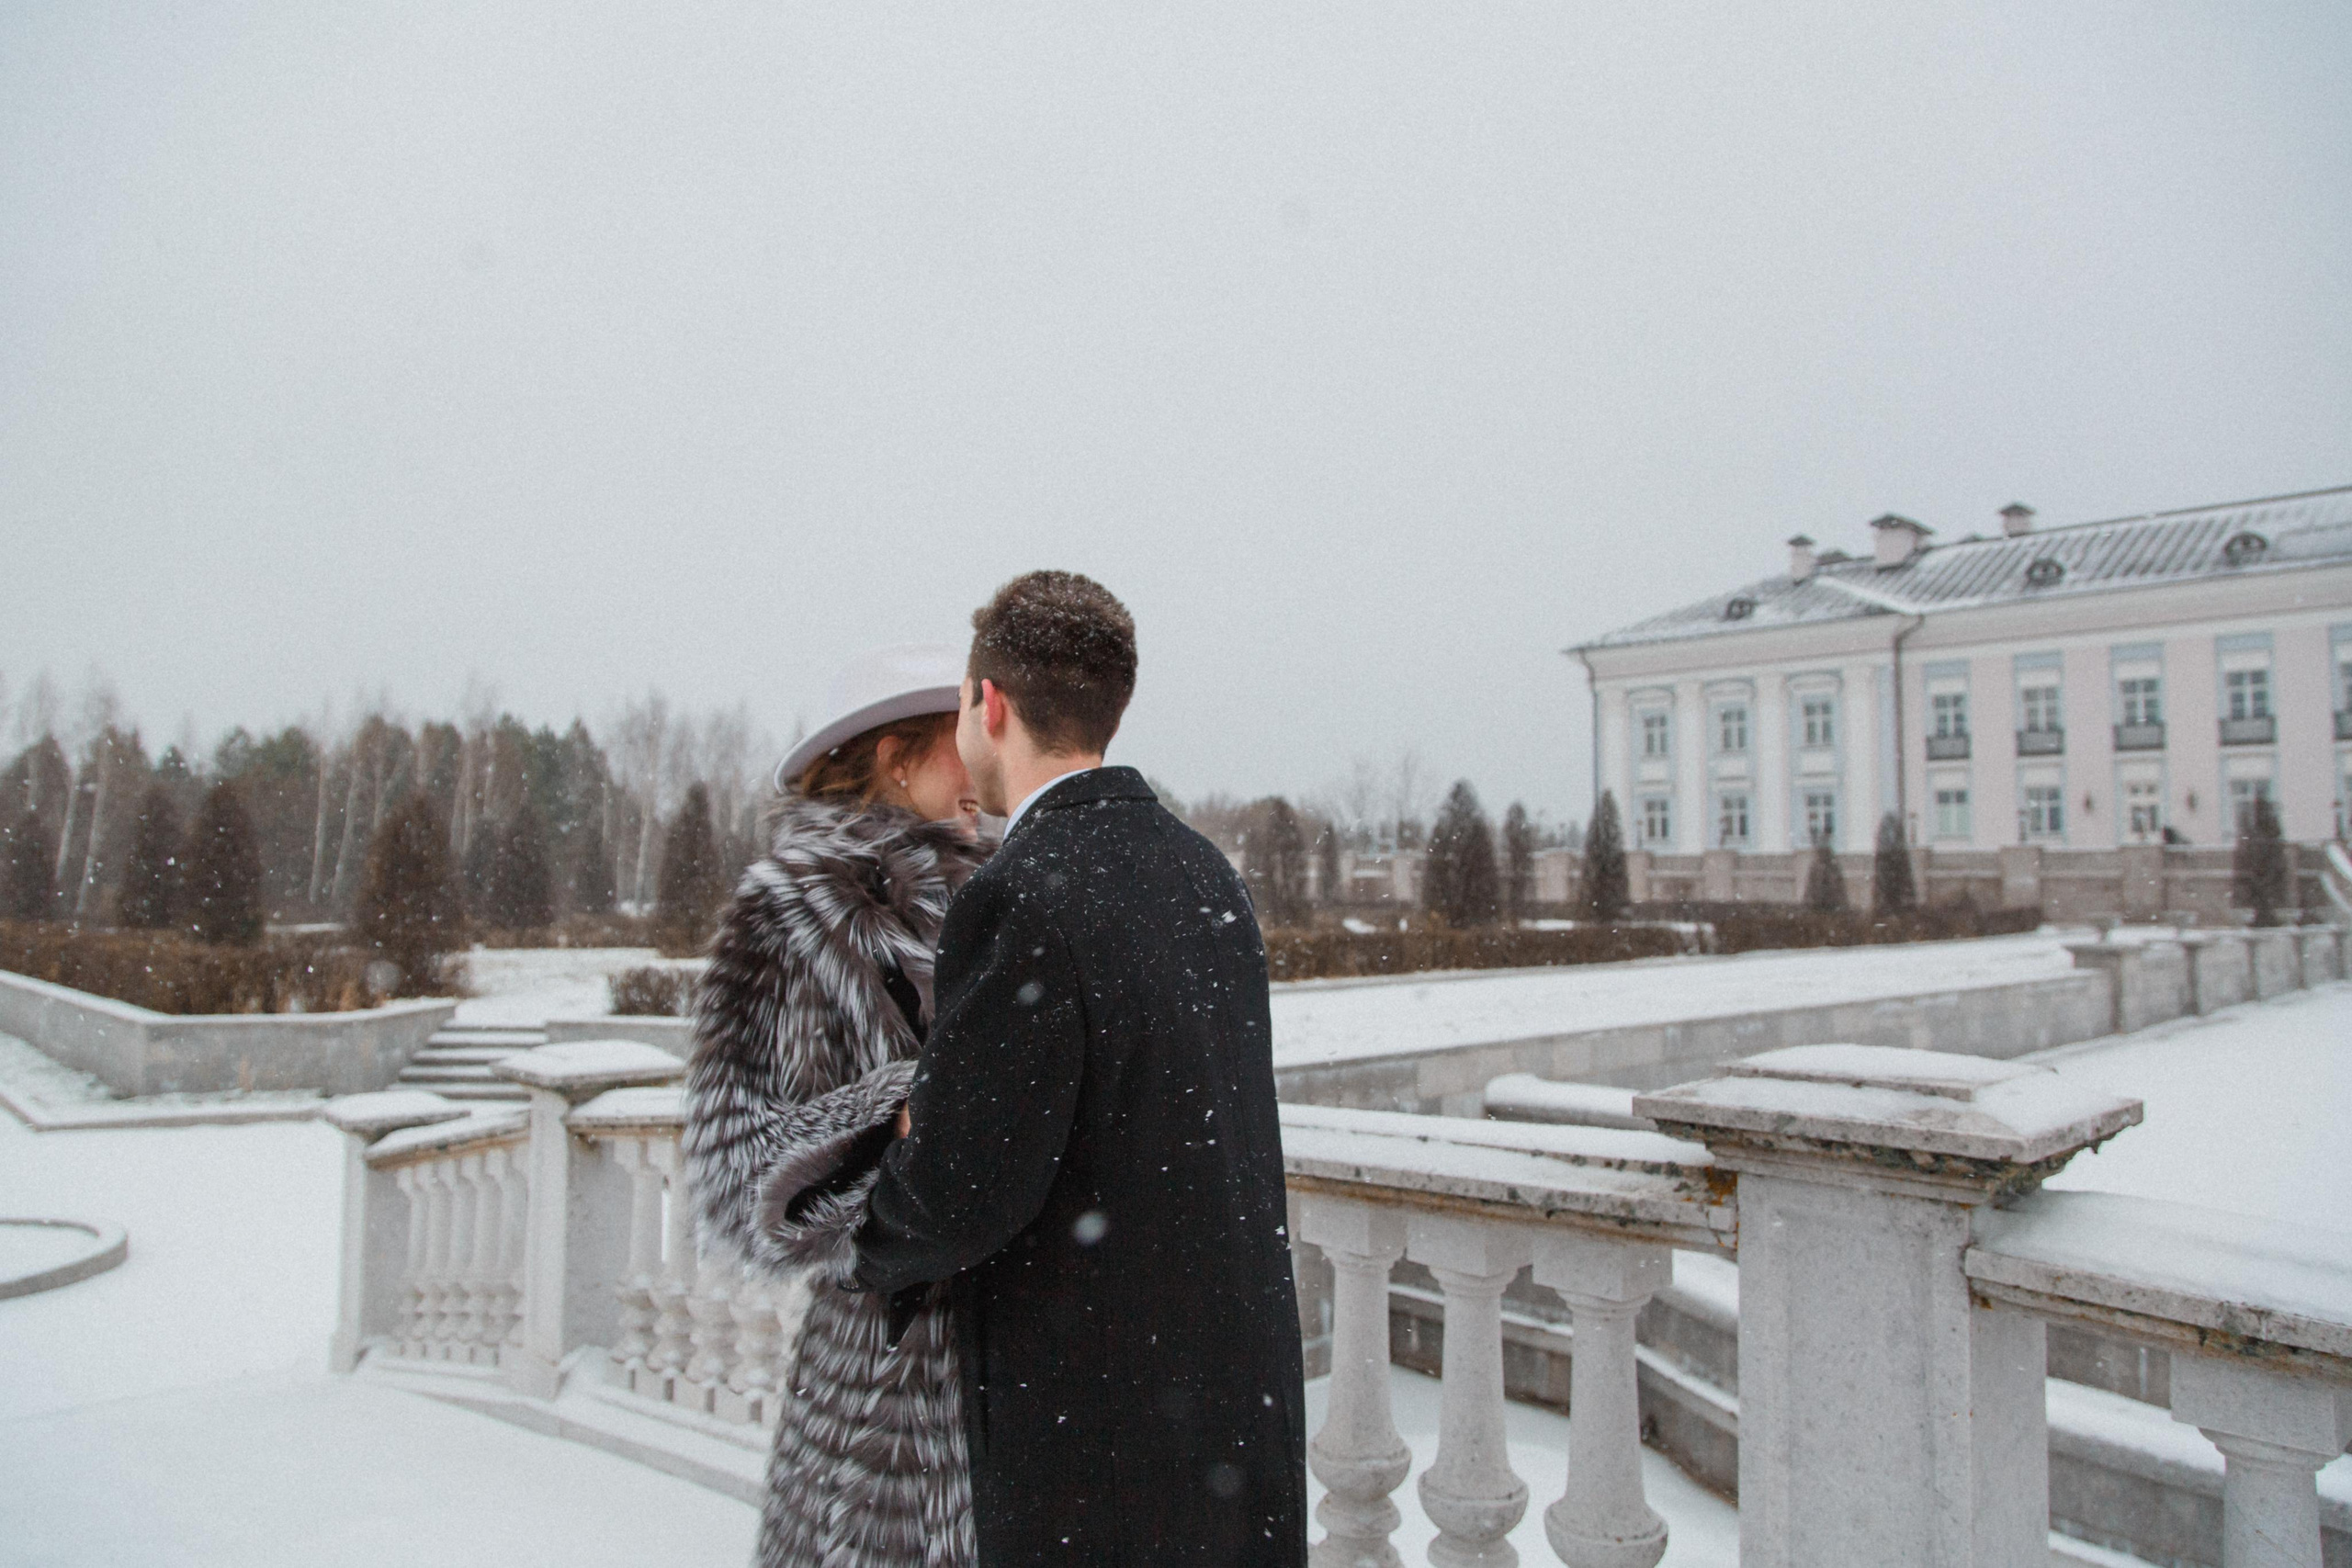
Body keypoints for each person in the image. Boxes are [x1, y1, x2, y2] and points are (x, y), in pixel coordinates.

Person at [851, 571, 1309, 1565]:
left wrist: (873, 1228)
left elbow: (966, 1183)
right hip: (1233, 1417)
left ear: (991, 706)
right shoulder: (1202, 872)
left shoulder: (1023, 893)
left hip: (1100, 1443)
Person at [683, 642, 990, 1568]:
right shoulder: (791, 912)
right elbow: (740, 1182)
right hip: (885, 1382)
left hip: (1023, 1366)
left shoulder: (1005, 897)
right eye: (957, 742)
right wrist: (914, 1107)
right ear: (894, 757)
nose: (983, 764)